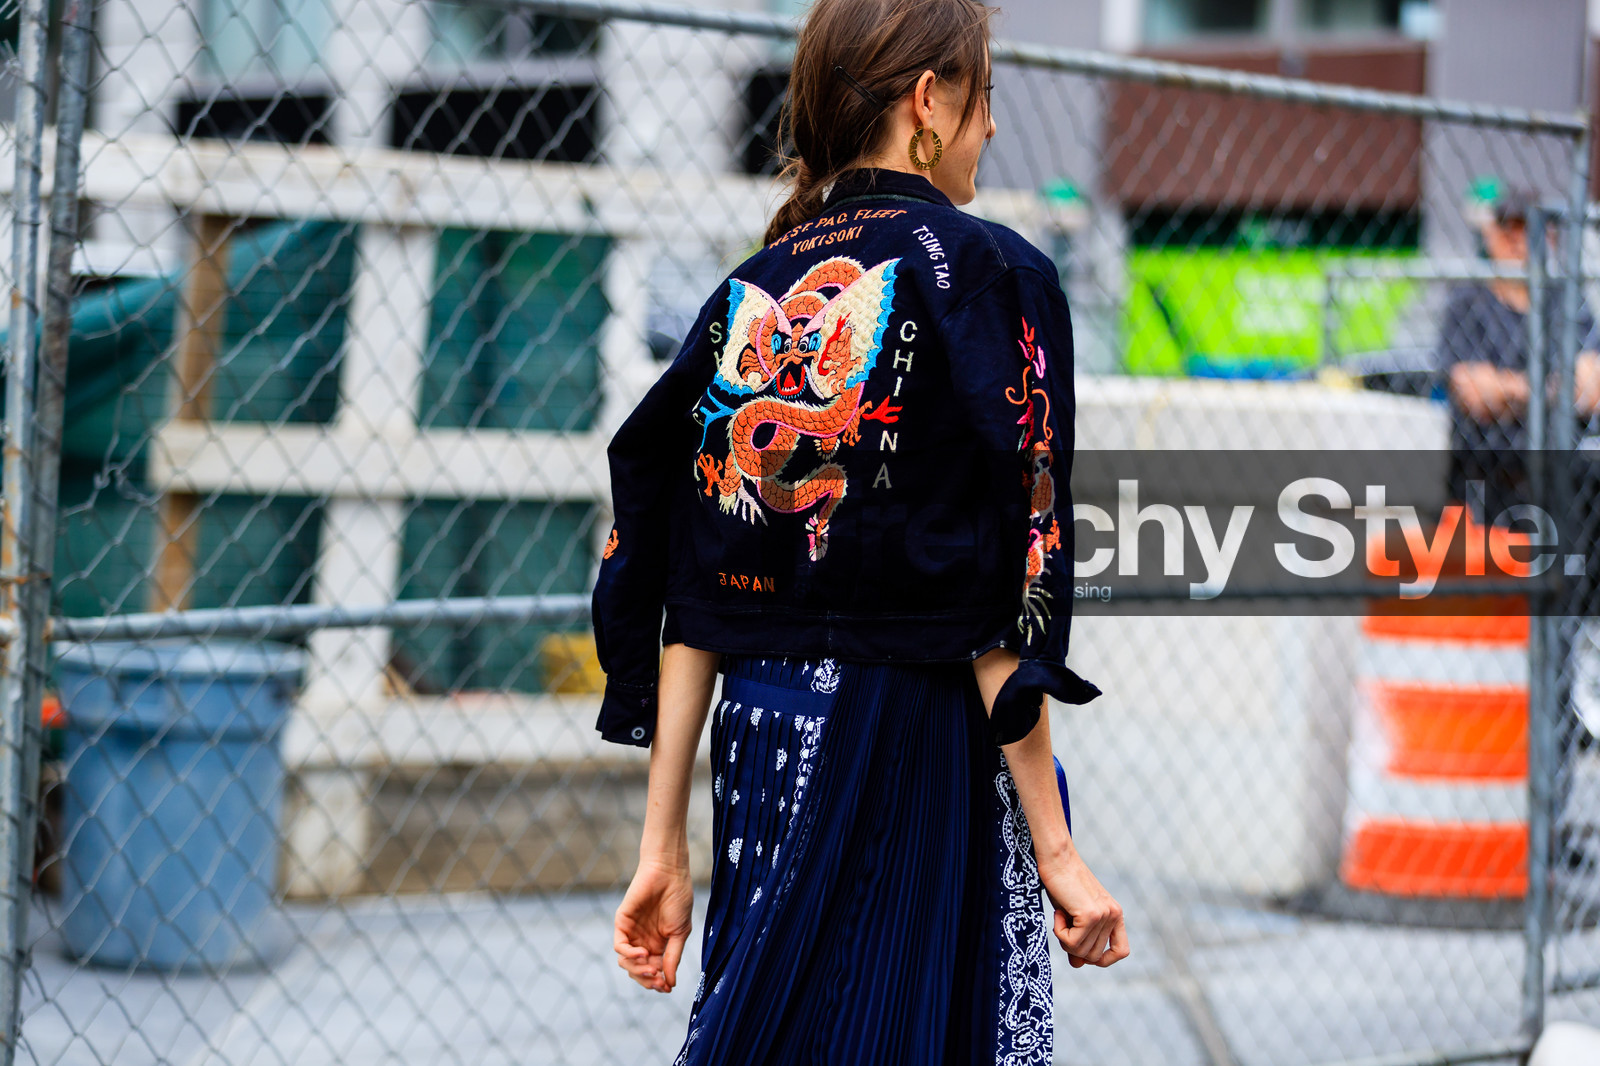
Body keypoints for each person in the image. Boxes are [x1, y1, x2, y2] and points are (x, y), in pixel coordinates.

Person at [590, 1, 1129, 1062]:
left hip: (759, 739)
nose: (991, 130)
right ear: (929, 102)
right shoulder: (985, 275)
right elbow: (998, 585)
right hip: (906, 736)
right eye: (987, 101)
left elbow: (697, 586)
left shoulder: (751, 291)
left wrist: (663, 845)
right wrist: (1057, 849)